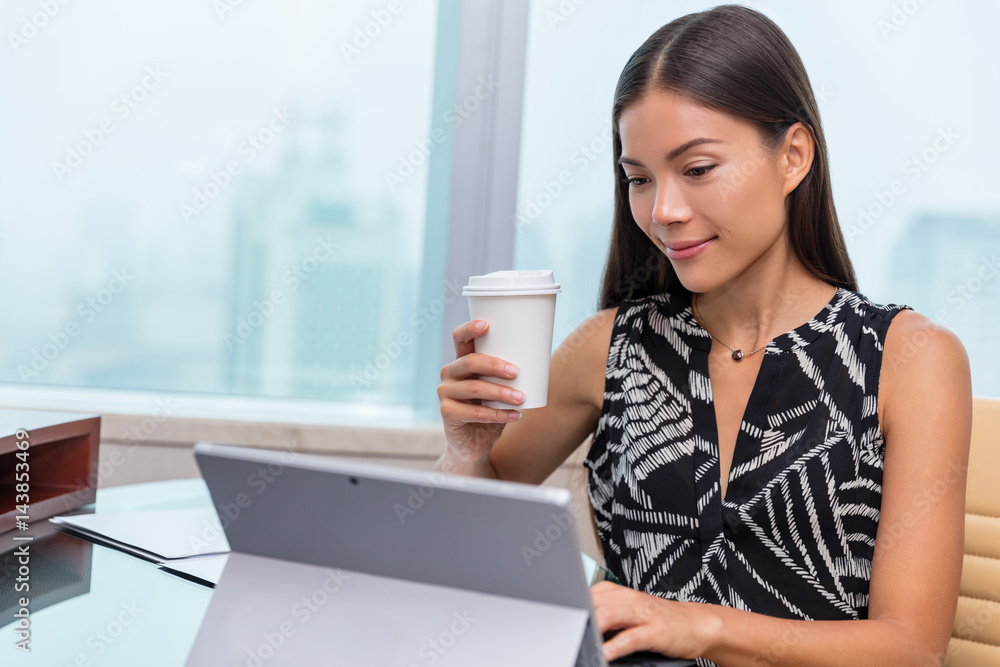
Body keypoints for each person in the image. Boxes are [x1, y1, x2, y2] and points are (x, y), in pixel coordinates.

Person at [435, 5, 972, 666]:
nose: (663, 211)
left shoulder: (910, 359)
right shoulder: (607, 346)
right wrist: (466, 450)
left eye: (697, 169)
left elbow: (911, 649)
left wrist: (700, 626)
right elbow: (463, 547)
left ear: (793, 157)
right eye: (639, 178)